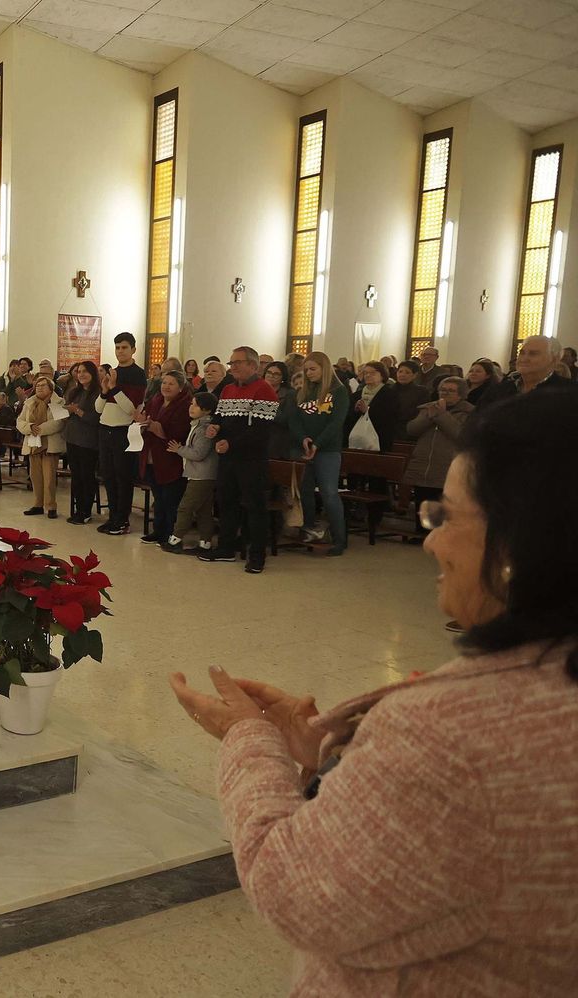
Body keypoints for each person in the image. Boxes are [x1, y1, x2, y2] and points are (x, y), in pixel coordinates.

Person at [169, 388, 578, 995]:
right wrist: (324, 754)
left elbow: (298, 891)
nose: (431, 541)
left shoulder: (451, 736)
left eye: (446, 517)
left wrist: (251, 743)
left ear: (522, 542)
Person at [200, 346, 278, 574]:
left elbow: (261, 431)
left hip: (251, 458)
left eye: (237, 363)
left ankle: (256, 556)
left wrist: (231, 443)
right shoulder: (227, 389)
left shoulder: (264, 390)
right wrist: (216, 428)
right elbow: (221, 417)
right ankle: (225, 548)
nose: (231, 367)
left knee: (255, 507)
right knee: (227, 502)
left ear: (252, 366)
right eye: (231, 362)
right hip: (228, 457)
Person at [281, 351, 350, 555]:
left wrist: (317, 444)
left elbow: (335, 423)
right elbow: (293, 419)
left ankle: (340, 538)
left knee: (329, 493)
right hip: (302, 447)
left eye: (313, 369)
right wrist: (304, 438)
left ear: (324, 368)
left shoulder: (338, 391)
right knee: (305, 492)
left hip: (327, 450)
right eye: (306, 370)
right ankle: (308, 531)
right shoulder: (300, 392)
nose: (308, 373)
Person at [402, 376, 473, 530]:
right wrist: (429, 416)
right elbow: (411, 430)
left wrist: (441, 415)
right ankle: (421, 531)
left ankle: (440, 534)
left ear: (460, 394)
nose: (445, 393)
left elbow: (461, 435)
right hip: (424, 462)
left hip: (447, 463)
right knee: (423, 499)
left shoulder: (467, 411)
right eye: (443, 390)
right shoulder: (428, 408)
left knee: (442, 501)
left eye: (450, 391)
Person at [93, 332, 147, 535]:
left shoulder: (137, 374)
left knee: (122, 477)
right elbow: (98, 408)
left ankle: (122, 520)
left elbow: (131, 408)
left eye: (124, 347)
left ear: (133, 349)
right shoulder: (112, 372)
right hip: (104, 428)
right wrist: (105, 390)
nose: (120, 351)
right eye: (117, 347)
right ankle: (113, 516)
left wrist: (114, 388)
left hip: (123, 432)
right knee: (108, 476)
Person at [134, 370, 192, 544]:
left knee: (171, 499)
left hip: (171, 458)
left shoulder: (185, 404)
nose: (166, 387)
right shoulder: (155, 400)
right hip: (152, 455)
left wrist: (159, 429)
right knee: (158, 497)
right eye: (164, 383)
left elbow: (181, 432)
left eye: (171, 383)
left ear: (181, 387)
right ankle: (158, 531)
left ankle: (171, 533)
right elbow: (147, 420)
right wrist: (143, 424)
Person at [165, 391, 218, 553]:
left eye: (195, 405)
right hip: (201, 474)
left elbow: (198, 454)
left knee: (185, 507)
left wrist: (179, 449)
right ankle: (205, 543)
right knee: (203, 511)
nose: (191, 407)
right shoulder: (198, 425)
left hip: (201, 475)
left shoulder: (204, 429)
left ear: (207, 409)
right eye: (191, 403)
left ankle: (175, 539)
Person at [18, 370, 64, 517]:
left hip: (49, 444)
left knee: (49, 477)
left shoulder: (59, 402)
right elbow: (20, 421)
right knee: (35, 476)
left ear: (51, 388)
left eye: (43, 385)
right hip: (33, 443)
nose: (39, 388)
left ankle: (51, 506)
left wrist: (39, 429)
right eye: (37, 386)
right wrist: (30, 427)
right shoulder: (29, 402)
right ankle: (37, 504)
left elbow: (59, 423)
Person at [61, 361, 101, 524]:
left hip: (88, 439)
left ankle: (86, 510)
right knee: (76, 475)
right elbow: (70, 412)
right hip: (72, 437)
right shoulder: (75, 392)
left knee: (86, 475)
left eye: (85, 371)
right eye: (79, 371)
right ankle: (78, 509)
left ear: (92, 374)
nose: (81, 374)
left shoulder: (98, 393)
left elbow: (96, 418)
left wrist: (77, 410)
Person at [481, 335, 576, 404]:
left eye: (533, 354)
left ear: (554, 360)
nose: (524, 358)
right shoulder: (498, 391)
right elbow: (476, 424)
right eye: (522, 353)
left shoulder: (569, 393)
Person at [348, 361, 400, 453]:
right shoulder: (357, 395)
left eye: (372, 373)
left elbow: (390, 418)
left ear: (382, 375)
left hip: (380, 439)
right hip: (357, 439)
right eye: (365, 373)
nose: (368, 375)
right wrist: (355, 410)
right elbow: (348, 418)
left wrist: (367, 411)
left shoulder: (390, 394)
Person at [389, 361, 432, 444]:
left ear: (414, 375)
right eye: (400, 371)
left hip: (410, 431)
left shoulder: (421, 392)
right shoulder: (389, 390)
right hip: (390, 429)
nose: (402, 375)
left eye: (407, 372)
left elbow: (421, 413)